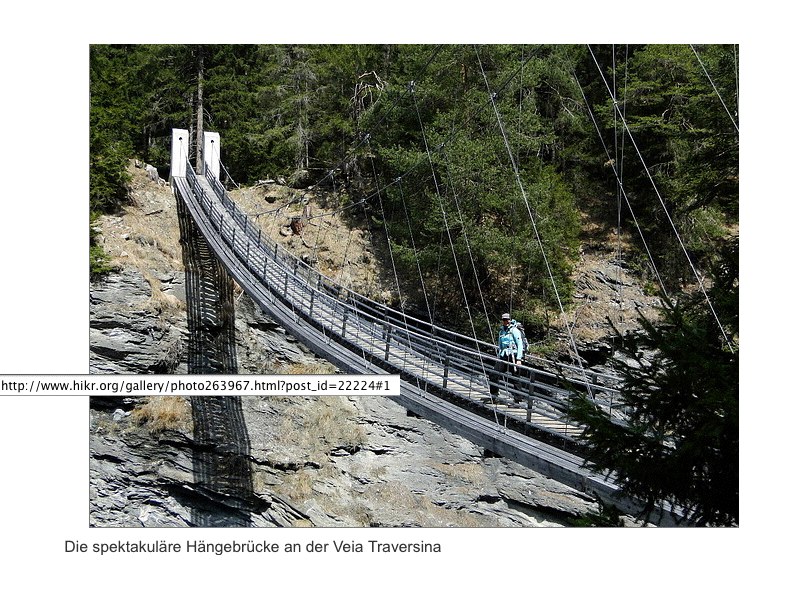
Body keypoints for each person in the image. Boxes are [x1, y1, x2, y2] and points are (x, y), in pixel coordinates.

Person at [488, 313, 523, 401]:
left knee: (516, 379)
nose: (506, 321)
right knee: (493, 374)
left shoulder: (514, 330)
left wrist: (519, 359)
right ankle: (494, 395)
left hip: (513, 356)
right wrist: (499, 356)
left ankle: (517, 400)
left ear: (510, 320)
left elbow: (520, 344)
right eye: (504, 320)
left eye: (507, 320)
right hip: (504, 356)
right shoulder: (501, 331)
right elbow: (500, 345)